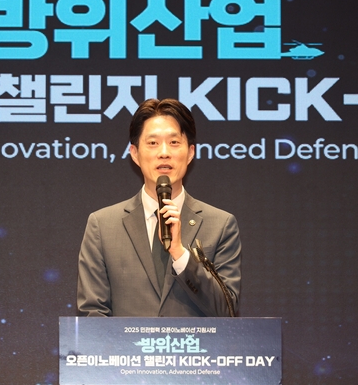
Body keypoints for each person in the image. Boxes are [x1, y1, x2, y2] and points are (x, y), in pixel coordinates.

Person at [77, 98, 241, 317]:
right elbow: (92, 313)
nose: (164, 152)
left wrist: (180, 255)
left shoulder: (221, 225)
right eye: (153, 143)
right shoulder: (102, 226)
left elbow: (227, 310)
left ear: (190, 153)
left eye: (174, 142)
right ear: (134, 153)